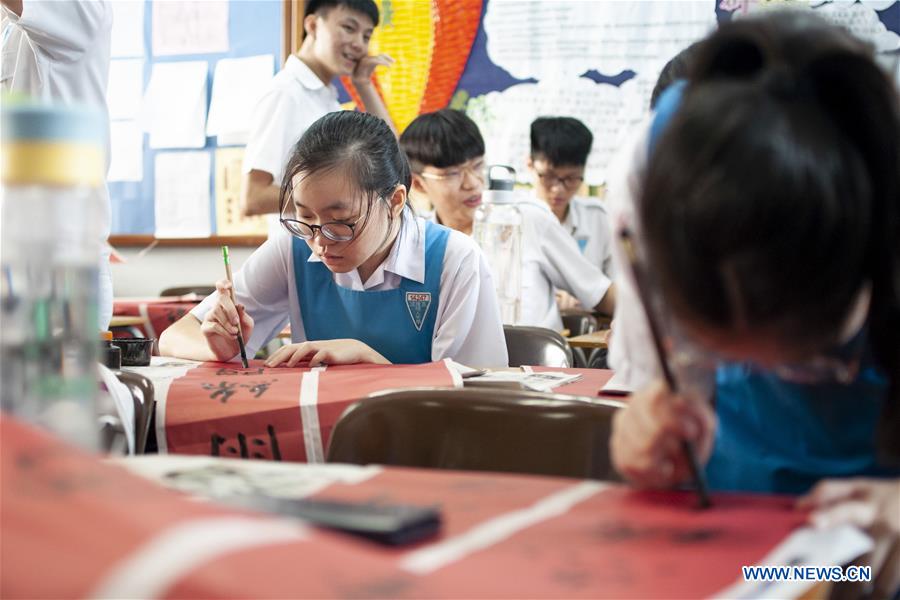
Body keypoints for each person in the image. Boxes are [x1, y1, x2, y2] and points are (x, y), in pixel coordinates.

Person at [607, 13, 900, 596]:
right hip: (739, 537)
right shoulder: (655, 174)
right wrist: (646, 429)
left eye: (809, 359)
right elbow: (654, 389)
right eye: (720, 346)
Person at [160, 111, 507, 368]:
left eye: (341, 222)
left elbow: (477, 395)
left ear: (395, 202)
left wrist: (370, 362)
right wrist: (219, 349)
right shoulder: (292, 248)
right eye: (306, 217)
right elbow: (173, 337)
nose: (320, 242)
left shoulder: (453, 260)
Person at [400, 109, 616, 331]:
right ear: (418, 184)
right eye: (453, 174)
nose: (472, 183)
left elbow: (600, 292)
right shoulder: (417, 240)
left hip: (534, 362)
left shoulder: (527, 218)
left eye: (477, 166)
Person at [1, 0, 113, 329]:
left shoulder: (83, 7)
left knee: (53, 378)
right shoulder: (10, 25)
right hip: (15, 262)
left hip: (62, 273)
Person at [240, 0, 394, 219]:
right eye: (349, 28)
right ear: (312, 26)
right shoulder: (285, 93)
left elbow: (389, 153)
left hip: (329, 246)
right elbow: (253, 198)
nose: (360, 45)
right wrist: (345, 199)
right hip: (303, 248)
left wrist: (363, 83)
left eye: (366, 36)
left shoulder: (324, 96)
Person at [529, 116, 615, 311]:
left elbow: (617, 286)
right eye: (549, 176)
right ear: (529, 164)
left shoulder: (597, 218)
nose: (558, 190)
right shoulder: (514, 219)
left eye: (571, 179)